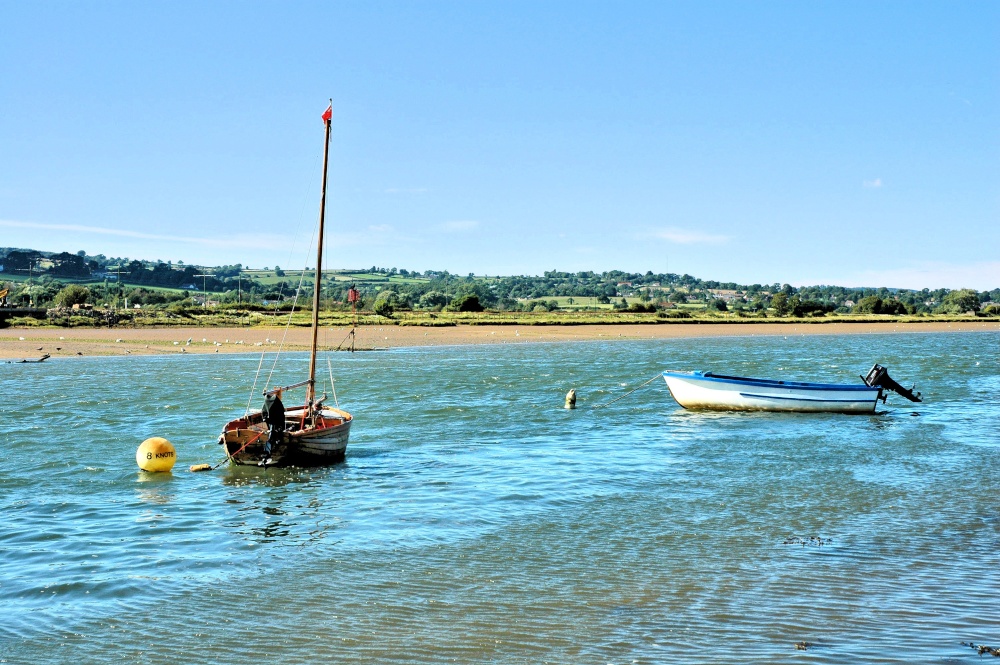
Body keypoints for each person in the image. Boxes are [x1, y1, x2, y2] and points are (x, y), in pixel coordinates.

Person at [260, 387, 285, 466]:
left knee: (271, 433)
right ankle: (267, 454)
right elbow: (281, 416)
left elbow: (264, 413)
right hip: (274, 424)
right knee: (272, 434)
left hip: (270, 422)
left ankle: (266, 453)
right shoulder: (277, 404)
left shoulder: (267, 403)